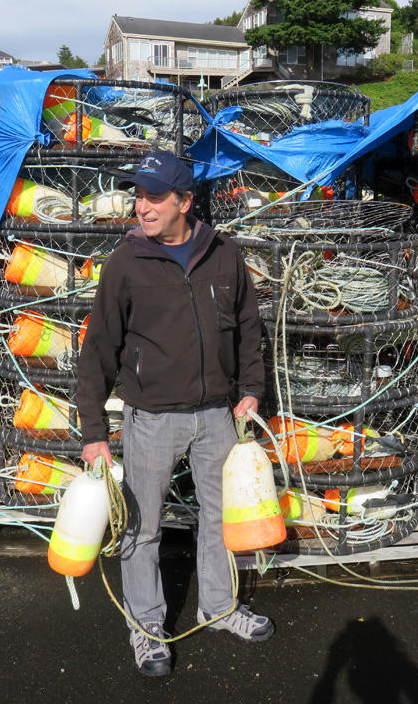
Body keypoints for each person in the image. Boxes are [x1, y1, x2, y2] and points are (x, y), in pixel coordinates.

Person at [76, 149, 273, 677]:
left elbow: (250, 331)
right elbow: (97, 351)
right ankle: (146, 629)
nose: (142, 206)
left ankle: (218, 607)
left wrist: (251, 391)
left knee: (220, 518)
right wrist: (94, 432)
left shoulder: (224, 254)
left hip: (217, 415)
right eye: (138, 195)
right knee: (142, 526)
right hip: (152, 418)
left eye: (155, 196)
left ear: (185, 201)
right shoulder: (125, 263)